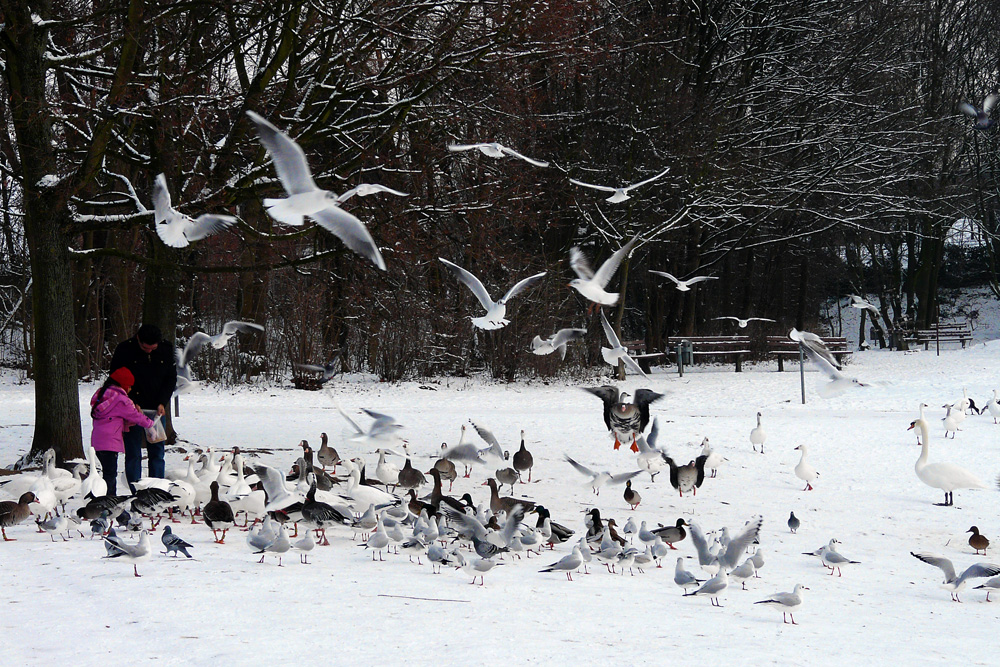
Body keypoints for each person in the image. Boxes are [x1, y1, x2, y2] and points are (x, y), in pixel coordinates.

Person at [109, 324, 176, 492]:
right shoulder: (125, 349)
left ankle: (157, 490)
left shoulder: (166, 349)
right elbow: (115, 379)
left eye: (153, 348)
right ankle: (136, 491)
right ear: (138, 339)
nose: (149, 351)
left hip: (156, 410)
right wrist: (131, 401)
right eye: (145, 348)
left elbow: (171, 378)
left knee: (157, 452)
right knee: (133, 453)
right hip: (131, 409)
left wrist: (162, 401)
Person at [90, 368, 154, 496]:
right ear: (123, 384)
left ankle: (104, 499)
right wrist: (151, 424)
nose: (130, 389)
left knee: (107, 472)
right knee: (110, 475)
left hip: (97, 441)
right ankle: (109, 501)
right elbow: (135, 416)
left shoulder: (102, 394)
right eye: (129, 386)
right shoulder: (121, 400)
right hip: (110, 442)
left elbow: (113, 416)